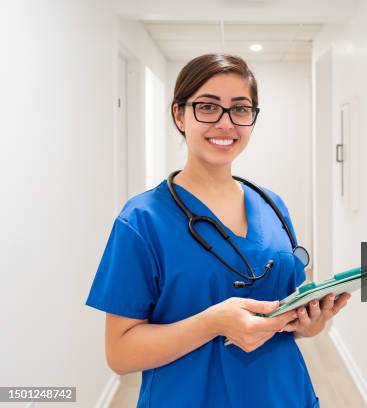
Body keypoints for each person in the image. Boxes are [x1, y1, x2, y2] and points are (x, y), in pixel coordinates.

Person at [85, 53, 351, 408]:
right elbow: (120, 353)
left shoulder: (272, 206)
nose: (226, 123)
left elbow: (285, 317)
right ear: (179, 115)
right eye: (208, 107)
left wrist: (310, 323)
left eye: (240, 109)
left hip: (283, 394)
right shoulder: (141, 221)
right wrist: (213, 323)